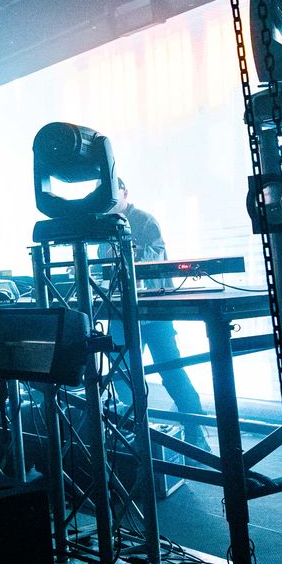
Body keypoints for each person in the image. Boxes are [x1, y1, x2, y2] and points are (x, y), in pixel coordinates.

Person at [110, 178, 208, 447]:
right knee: (122, 375)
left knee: (172, 371)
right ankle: (138, 433)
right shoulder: (105, 224)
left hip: (154, 312)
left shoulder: (144, 220)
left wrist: (124, 250)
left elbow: (154, 256)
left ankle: (196, 434)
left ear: (125, 192)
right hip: (121, 311)